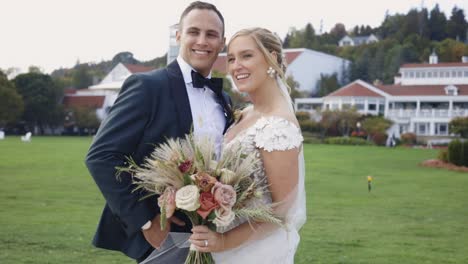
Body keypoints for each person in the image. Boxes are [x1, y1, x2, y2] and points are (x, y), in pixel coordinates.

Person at [85, 2, 232, 263]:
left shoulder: (224, 99)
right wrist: (146, 221)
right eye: (193, 32)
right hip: (164, 236)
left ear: (222, 42)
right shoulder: (147, 86)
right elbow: (101, 156)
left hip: (216, 234)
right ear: (178, 36)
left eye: (211, 34)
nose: (202, 41)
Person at [189, 28, 307, 263]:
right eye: (231, 58)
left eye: (246, 56)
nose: (236, 66)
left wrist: (223, 242)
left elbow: (282, 210)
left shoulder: (278, 125)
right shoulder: (245, 114)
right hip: (222, 244)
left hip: (256, 251)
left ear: (272, 58)